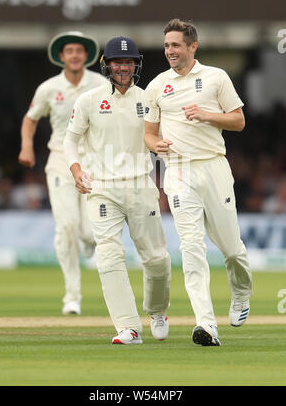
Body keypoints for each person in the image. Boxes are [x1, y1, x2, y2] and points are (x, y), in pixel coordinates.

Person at [144, 19, 253, 347]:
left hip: (213, 168)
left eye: (176, 45)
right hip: (177, 172)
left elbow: (239, 121)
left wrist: (207, 115)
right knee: (191, 249)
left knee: (232, 249)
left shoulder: (216, 77)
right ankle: (206, 325)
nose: (170, 51)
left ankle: (241, 294)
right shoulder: (157, 85)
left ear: (193, 46)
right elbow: (148, 134)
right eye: (166, 46)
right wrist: (156, 146)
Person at [63, 36, 171, 344]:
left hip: (140, 185)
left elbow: (162, 136)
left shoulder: (150, 98)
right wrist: (76, 170)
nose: (123, 68)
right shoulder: (89, 99)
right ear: (107, 66)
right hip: (102, 189)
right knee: (109, 256)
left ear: (136, 65)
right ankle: (128, 327)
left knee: (156, 258)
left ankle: (157, 310)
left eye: (129, 62)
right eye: (117, 62)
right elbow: (70, 140)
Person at [18, 31, 107, 315]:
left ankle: (89, 241)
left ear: (86, 55)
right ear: (61, 56)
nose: (74, 55)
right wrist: (26, 147)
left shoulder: (100, 83)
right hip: (59, 159)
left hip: (93, 160)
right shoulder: (48, 88)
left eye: (79, 50)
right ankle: (72, 297)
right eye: (69, 51)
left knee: (91, 231)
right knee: (66, 226)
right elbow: (30, 120)